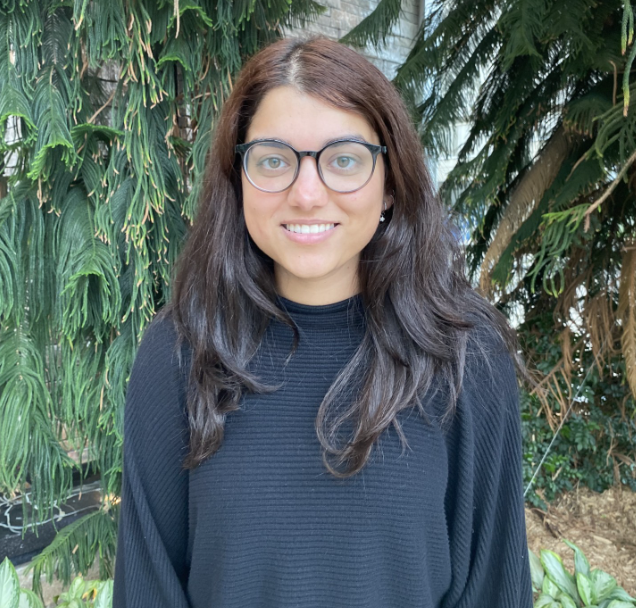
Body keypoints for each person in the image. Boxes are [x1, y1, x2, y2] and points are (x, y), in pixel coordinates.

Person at [113, 37, 533, 608]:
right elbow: (148, 590)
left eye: (343, 159)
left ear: (390, 183)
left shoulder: (464, 356)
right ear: (237, 181)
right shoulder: (179, 354)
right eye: (273, 160)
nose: (306, 193)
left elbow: (494, 590)